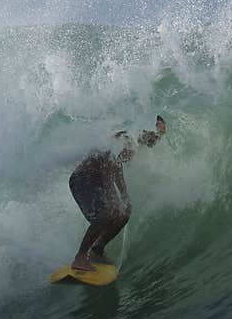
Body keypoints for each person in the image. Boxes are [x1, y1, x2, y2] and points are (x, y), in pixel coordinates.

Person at [69, 115, 166, 271]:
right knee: (105, 215)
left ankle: (97, 249)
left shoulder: (133, 141)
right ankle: (80, 258)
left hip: (96, 181)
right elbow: (108, 176)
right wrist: (116, 201)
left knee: (123, 214)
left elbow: (118, 170)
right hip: (82, 182)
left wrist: (125, 198)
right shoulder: (116, 147)